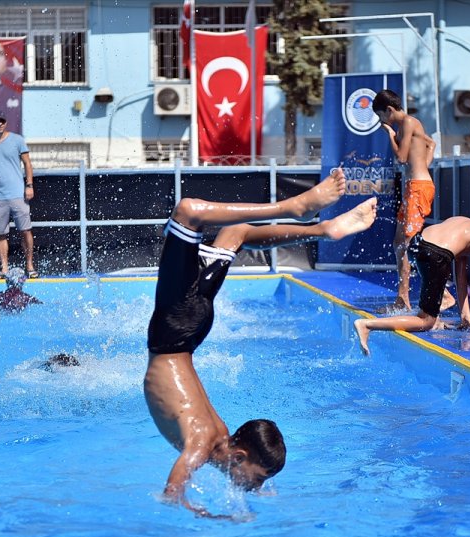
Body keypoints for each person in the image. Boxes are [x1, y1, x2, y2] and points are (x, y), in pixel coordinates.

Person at [144, 168, 378, 517]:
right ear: (239, 455)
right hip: (175, 331)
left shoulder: (217, 437)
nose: (256, 487)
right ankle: (296, 208)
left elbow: (202, 473)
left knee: (234, 232)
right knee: (189, 211)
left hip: (187, 331)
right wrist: (207, 515)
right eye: (256, 481)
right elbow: (170, 494)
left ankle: (322, 230)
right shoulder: (203, 443)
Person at [353, 215, 470, 356]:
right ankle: (367, 325)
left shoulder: (468, 227)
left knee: (430, 306)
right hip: (436, 254)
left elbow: (461, 278)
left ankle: (435, 310)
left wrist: (465, 314)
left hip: (418, 244)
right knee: (426, 322)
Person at [372, 89, 444, 313]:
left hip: (418, 189)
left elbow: (401, 158)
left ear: (390, 110)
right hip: (416, 186)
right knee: (399, 243)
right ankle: (402, 298)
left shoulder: (407, 123)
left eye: (381, 116)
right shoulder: (412, 124)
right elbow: (431, 144)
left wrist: (390, 134)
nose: (381, 121)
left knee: (412, 245)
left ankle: (445, 295)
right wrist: (423, 166)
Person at [0, 110, 37, 279]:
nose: (0, 124)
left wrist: (29, 185)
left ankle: (30, 265)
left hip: (18, 194)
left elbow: (27, 163)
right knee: (0, 233)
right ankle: (4, 268)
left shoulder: (17, 140)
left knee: (25, 230)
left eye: (2, 121)